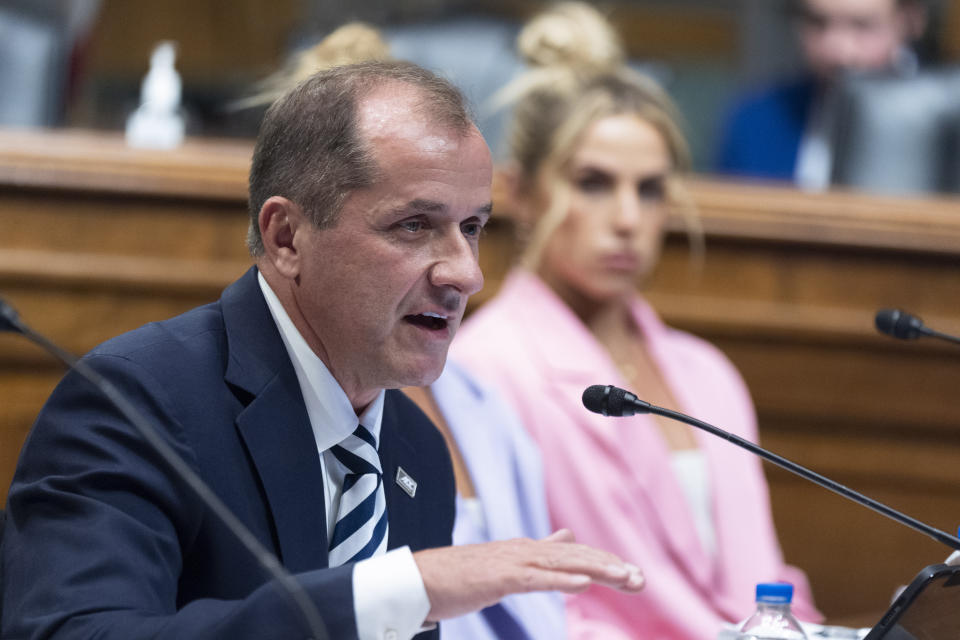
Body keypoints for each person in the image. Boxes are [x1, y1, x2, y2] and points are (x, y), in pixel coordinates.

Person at [0, 61, 645, 640]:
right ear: (286, 237)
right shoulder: (134, 403)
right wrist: (398, 592)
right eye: (414, 225)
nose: (464, 273)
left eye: (472, 227)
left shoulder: (418, 453)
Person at [452, 3, 822, 639]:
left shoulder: (706, 371)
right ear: (520, 193)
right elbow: (511, 605)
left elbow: (765, 581)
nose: (627, 218)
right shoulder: (480, 368)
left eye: (649, 189)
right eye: (593, 183)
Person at [715, 0, 928, 188]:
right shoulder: (757, 119)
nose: (837, 51)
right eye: (818, 23)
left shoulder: (945, 124)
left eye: (862, 25)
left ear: (911, 21)